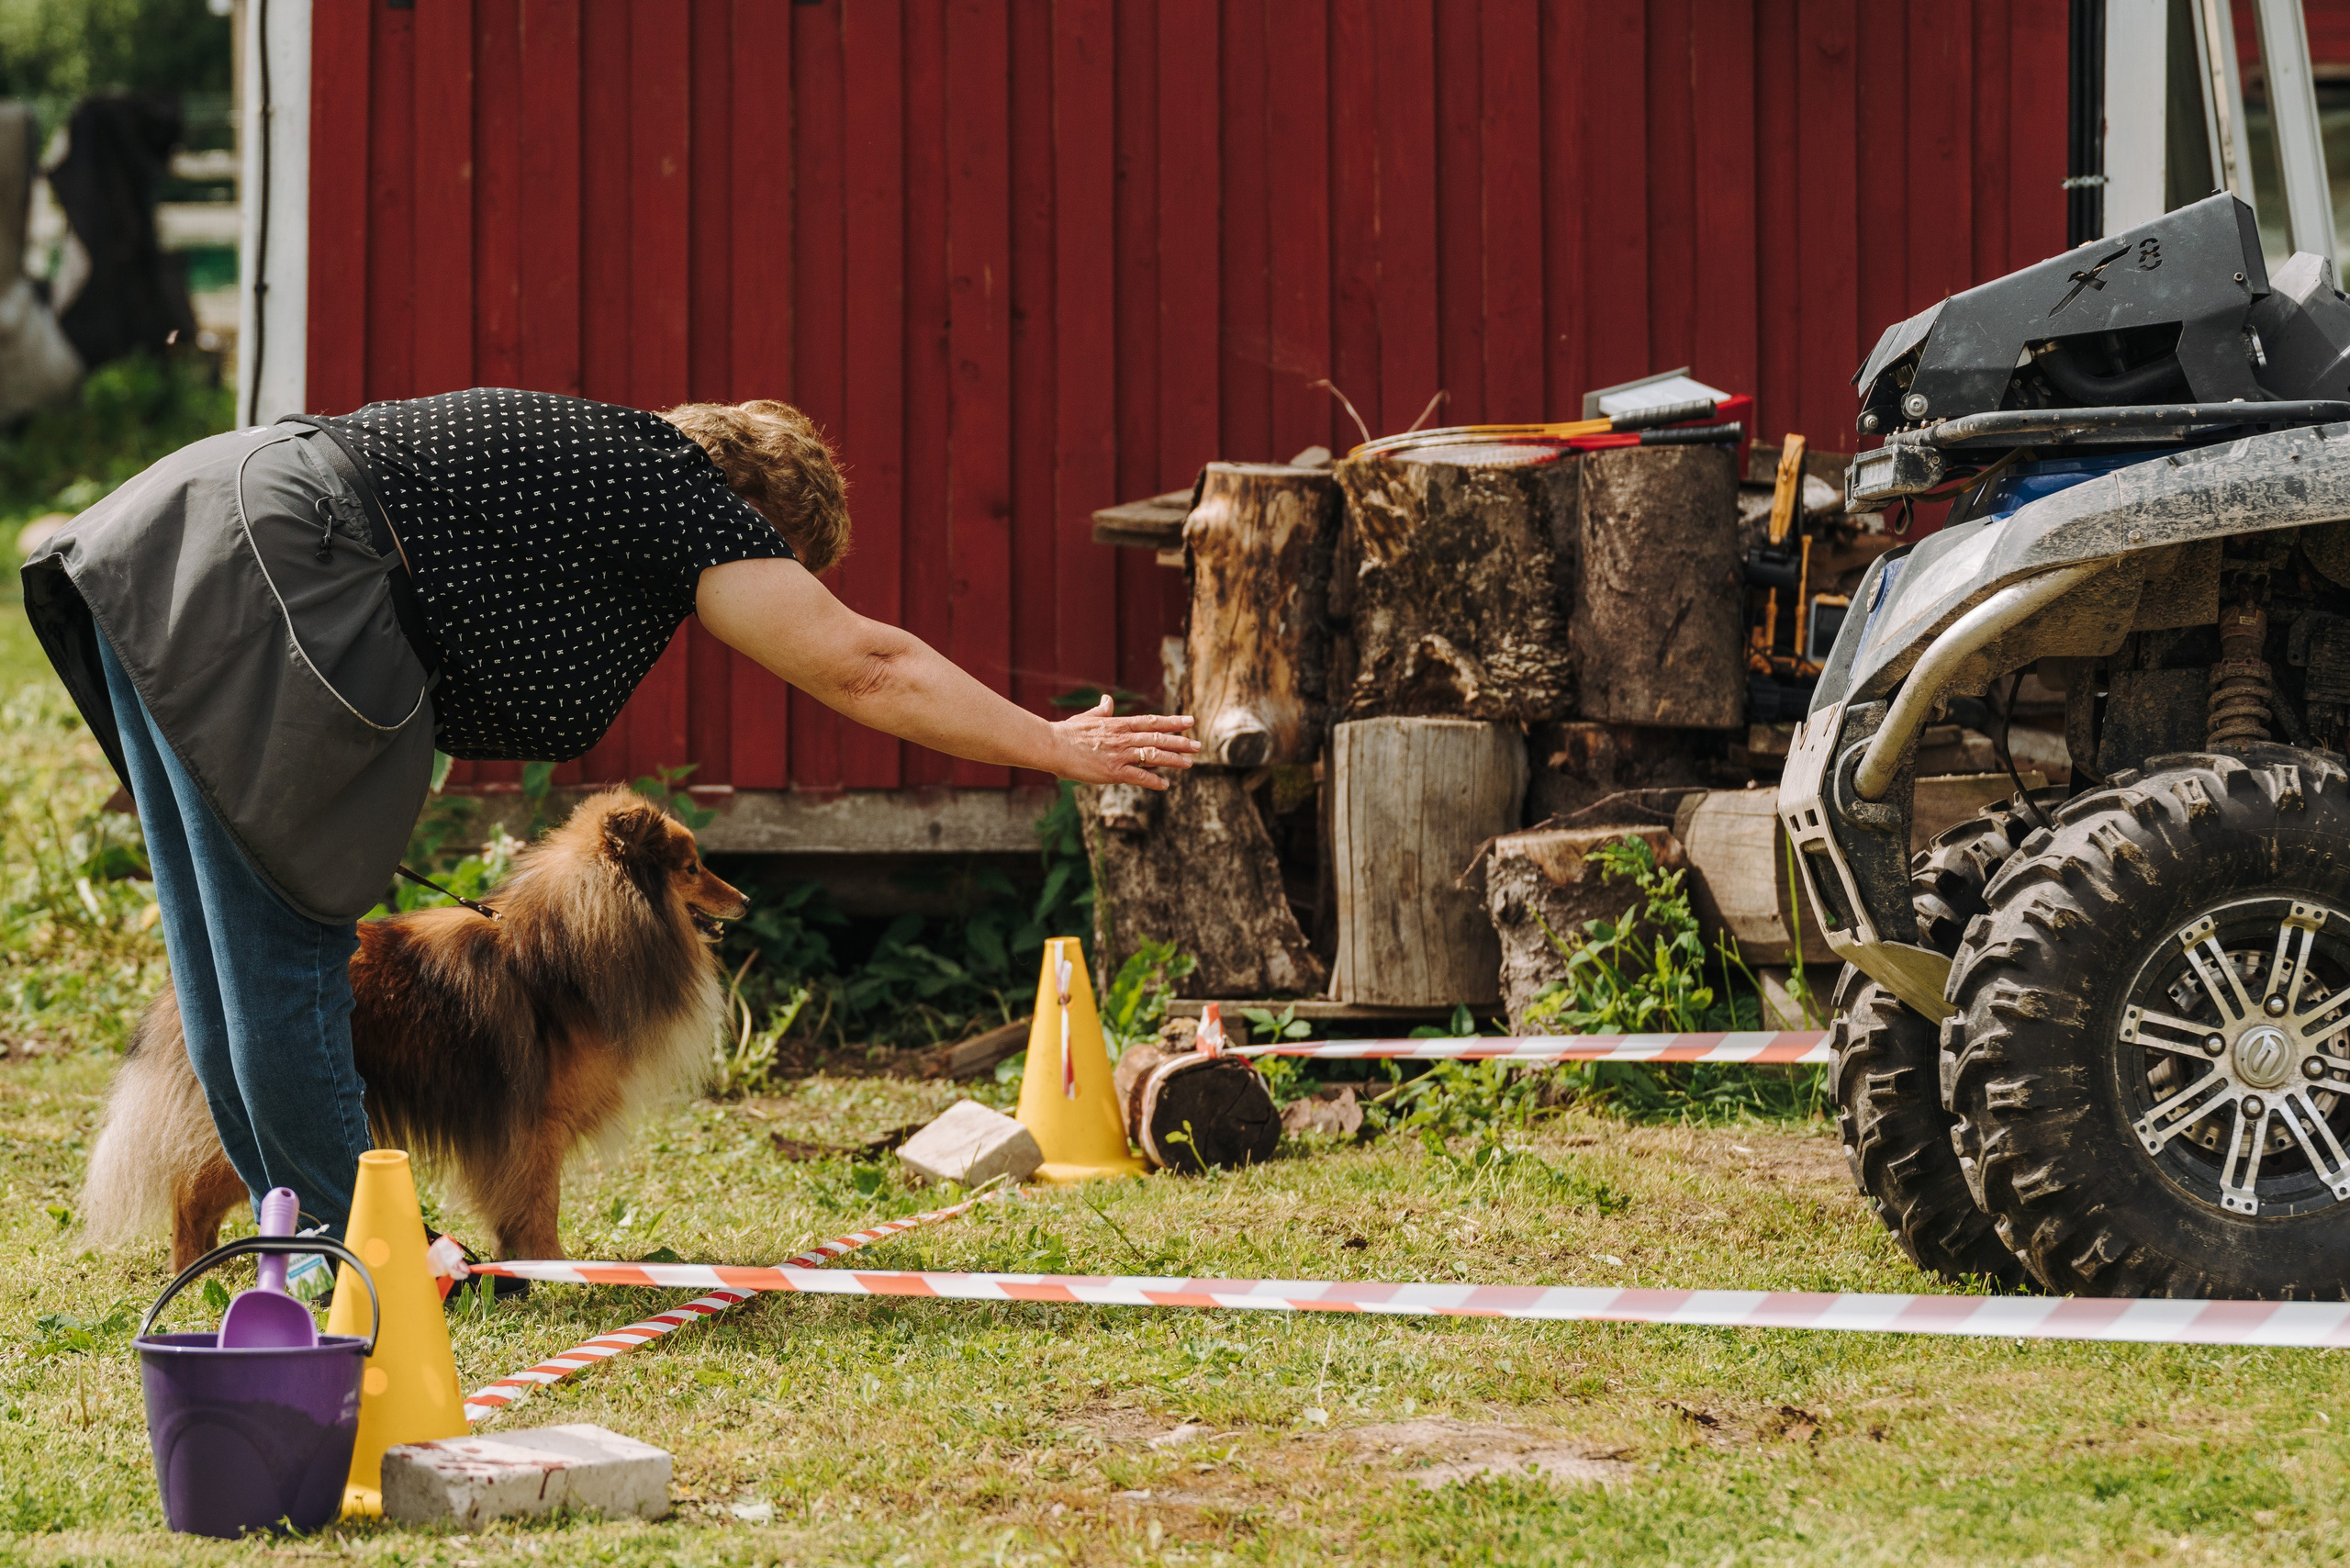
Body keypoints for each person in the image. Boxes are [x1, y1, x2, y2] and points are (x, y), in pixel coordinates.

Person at [21, 387, 1199, 1238]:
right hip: (261, 564)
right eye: (781, 567)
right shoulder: (684, 496)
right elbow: (866, 665)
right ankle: (361, 1254)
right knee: (281, 960)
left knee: (230, 961)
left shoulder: (586, 478)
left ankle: (307, 1237)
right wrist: (1049, 743)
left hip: (175, 543)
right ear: (760, 517)